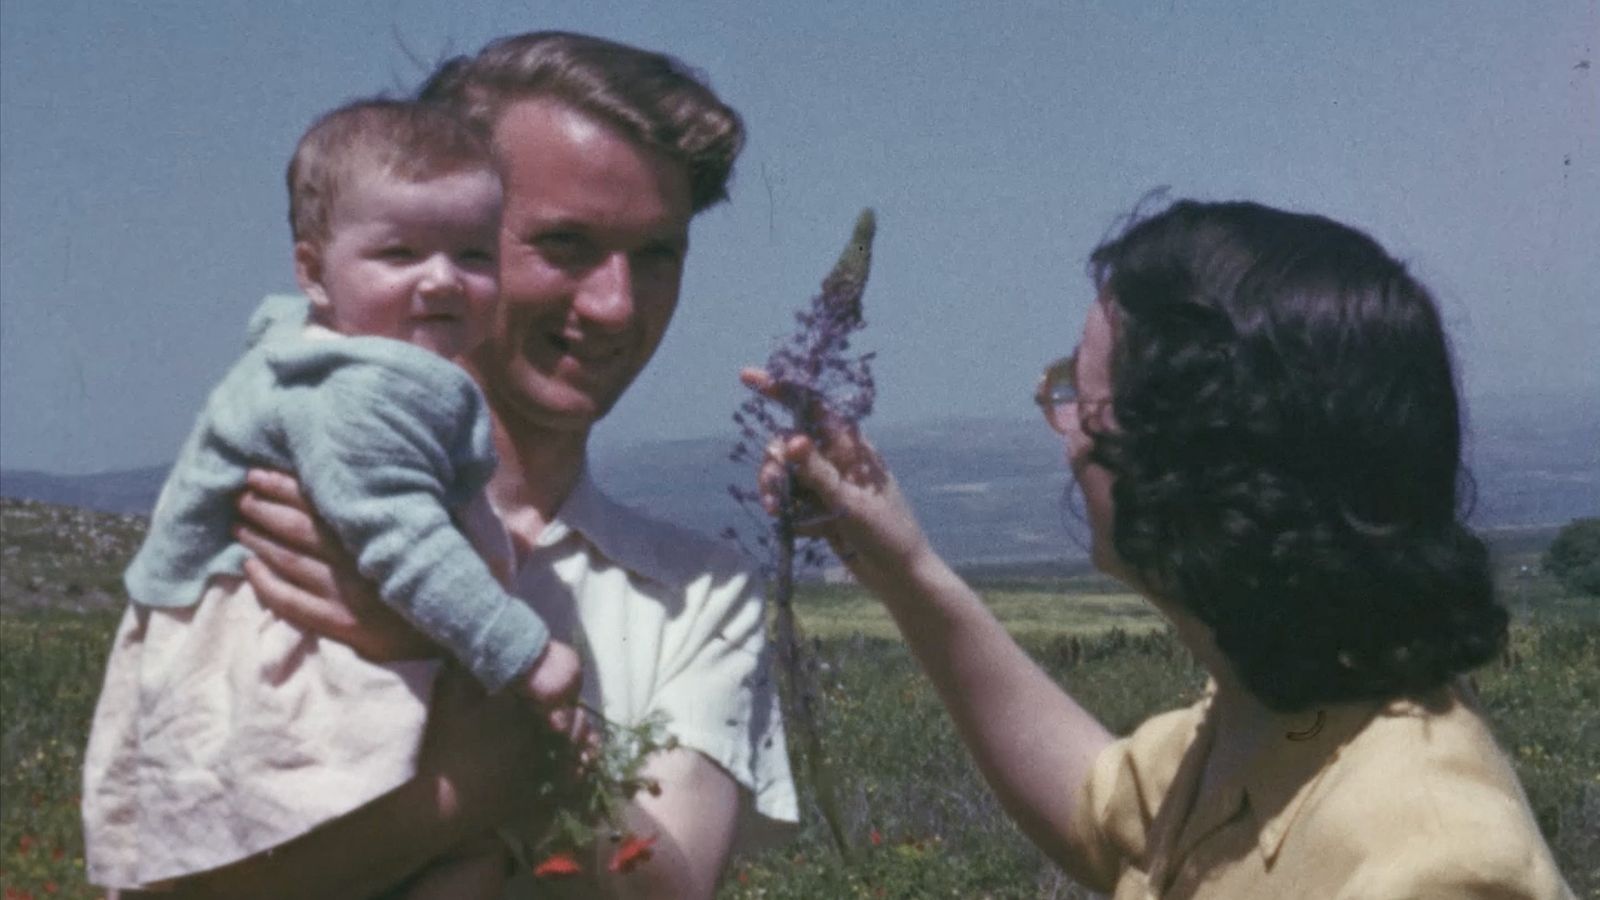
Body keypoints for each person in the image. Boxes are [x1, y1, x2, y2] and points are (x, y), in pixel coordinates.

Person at [747, 199, 1575, 898]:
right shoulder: (1279, 715)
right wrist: (904, 566)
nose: (1065, 435)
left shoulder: (1433, 863)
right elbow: (1096, 807)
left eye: (1080, 393)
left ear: (1200, 450)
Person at [212, 32, 795, 899]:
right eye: (564, 244)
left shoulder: (697, 596)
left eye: (656, 255)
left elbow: (667, 890)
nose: (614, 305)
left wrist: (483, 690)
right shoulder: (271, 521)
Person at [82, 98, 585, 898]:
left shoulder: (329, 355)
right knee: (410, 854)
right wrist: (525, 653)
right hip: (284, 674)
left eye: (473, 253)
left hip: (281, 654)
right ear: (314, 272)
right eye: (400, 252)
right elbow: (402, 540)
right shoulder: (361, 390)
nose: (442, 279)